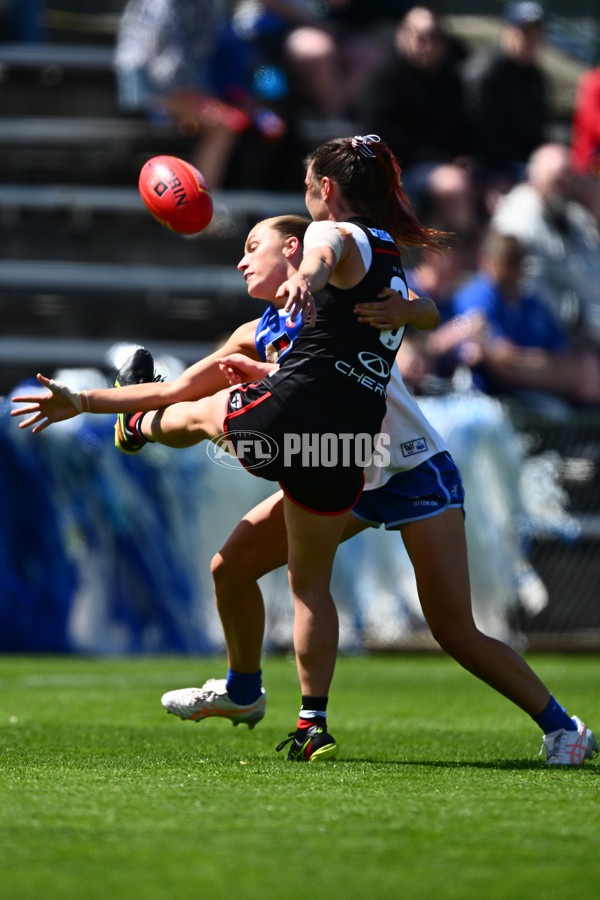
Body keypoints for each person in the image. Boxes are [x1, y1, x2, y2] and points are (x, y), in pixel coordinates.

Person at [14, 151, 599, 766]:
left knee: (454, 630)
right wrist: (82, 399)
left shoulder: (335, 264)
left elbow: (355, 274)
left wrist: (405, 308)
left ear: (292, 248)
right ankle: (244, 692)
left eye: (253, 246)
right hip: (336, 460)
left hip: (407, 467)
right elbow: (184, 384)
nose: (241, 259)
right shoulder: (256, 329)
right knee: (230, 566)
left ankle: (567, 729)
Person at [114, 0, 285, 188]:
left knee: (240, 119)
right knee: (225, 125)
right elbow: (166, 63)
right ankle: (202, 206)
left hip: (178, 86)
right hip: (154, 85)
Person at [449, 230, 600, 417]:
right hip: (489, 398)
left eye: (519, 262)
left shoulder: (531, 303)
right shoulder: (477, 296)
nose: (514, 271)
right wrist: (544, 364)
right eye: (507, 262)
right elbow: (502, 365)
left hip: (538, 393)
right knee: (554, 414)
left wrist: (525, 362)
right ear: (486, 259)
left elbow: (567, 361)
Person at [356, 4, 472, 215]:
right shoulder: (383, 78)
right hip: (401, 172)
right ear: (402, 34)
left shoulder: (451, 79)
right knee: (453, 185)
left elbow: (465, 129)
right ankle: (455, 248)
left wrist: (465, 156)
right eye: (420, 36)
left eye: (434, 37)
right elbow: (383, 141)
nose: (427, 44)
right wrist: (442, 160)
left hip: (444, 166)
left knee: (494, 188)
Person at [492, 143, 600, 347]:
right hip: (557, 342)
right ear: (533, 178)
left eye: (570, 176)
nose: (566, 183)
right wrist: (584, 317)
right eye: (557, 179)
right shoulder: (518, 223)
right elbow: (528, 293)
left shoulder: (573, 214)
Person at [462, 1, 548, 208]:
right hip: (488, 167)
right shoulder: (485, 72)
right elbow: (480, 137)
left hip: (521, 163)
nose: (530, 39)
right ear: (508, 31)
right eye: (524, 32)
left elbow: (536, 133)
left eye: (535, 33)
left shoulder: (536, 75)